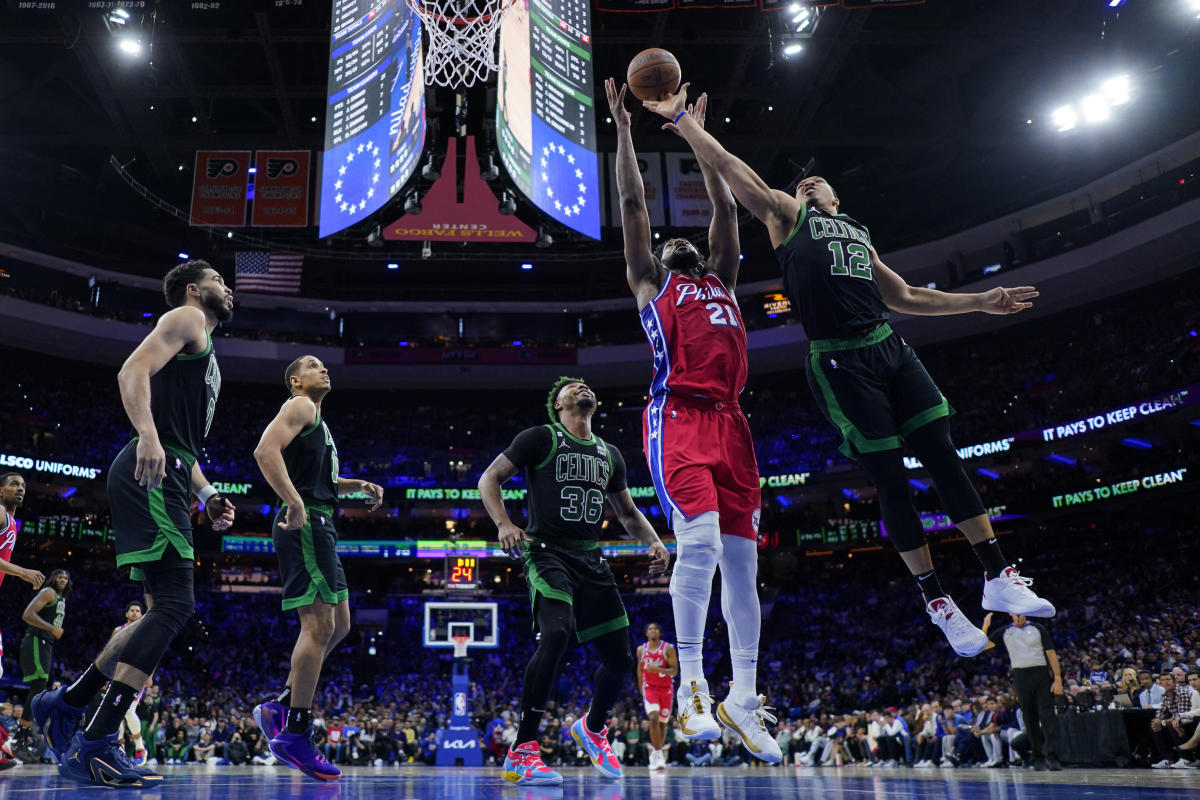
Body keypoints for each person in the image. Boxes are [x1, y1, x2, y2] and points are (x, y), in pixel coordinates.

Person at [642, 86, 1055, 658]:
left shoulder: (857, 233)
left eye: (818, 181)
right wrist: (684, 121)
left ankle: (996, 572)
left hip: (889, 345)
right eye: (801, 182)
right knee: (890, 476)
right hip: (839, 359)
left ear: (837, 194)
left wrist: (980, 301)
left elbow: (907, 295)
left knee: (941, 451)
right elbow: (735, 173)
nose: (808, 183)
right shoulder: (787, 218)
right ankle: (938, 603)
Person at [606, 77, 781, 764]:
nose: (680, 241)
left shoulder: (725, 278)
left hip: (733, 426)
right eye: (671, 241)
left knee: (743, 569)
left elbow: (729, 214)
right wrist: (625, 129)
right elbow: (631, 203)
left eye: (690, 241)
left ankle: (743, 695)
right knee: (700, 546)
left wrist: (695, 138)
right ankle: (692, 691)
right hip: (676, 416)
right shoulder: (653, 281)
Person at [32, 261, 236, 788]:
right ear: (194, 289)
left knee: (158, 610)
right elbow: (130, 371)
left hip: (170, 471)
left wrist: (208, 493)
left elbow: (181, 442)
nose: (226, 287)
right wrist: (146, 434)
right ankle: (95, 743)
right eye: (217, 278)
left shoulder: (203, 346)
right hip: (150, 471)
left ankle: (65, 704)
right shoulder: (188, 316)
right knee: (175, 605)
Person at [479, 377, 670, 785]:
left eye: (586, 385)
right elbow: (489, 478)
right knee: (557, 634)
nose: (582, 387)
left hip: (591, 559)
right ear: (559, 405)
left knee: (620, 659)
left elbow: (628, 512)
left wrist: (655, 542)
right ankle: (522, 750)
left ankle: (592, 726)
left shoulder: (610, 454)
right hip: (547, 552)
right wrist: (503, 522)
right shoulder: (540, 437)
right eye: (573, 387)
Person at [252, 354, 384, 782]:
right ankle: (296, 732)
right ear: (295, 381)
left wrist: (356, 484)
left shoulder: (319, 423)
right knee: (318, 626)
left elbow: (321, 479)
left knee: (341, 623)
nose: (323, 368)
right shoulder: (301, 406)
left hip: (322, 519)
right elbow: (264, 451)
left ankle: (281, 704)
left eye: (324, 364)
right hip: (306, 521)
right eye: (313, 365)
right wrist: (293, 502)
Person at [982, 612, 1062, 770]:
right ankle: (1038, 758)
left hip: (1041, 674)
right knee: (1029, 718)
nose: (1019, 614)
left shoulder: (1038, 628)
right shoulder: (1005, 631)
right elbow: (983, 646)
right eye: (1015, 612)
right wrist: (985, 626)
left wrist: (1058, 678)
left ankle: (1053, 757)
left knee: (1048, 716)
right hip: (1021, 676)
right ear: (1011, 613)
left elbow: (1051, 655)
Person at [14, 569, 70, 751]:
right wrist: (51, 627)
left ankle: (22, 736)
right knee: (38, 686)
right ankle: (20, 737)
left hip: (45, 643)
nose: (63, 580)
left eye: (66, 578)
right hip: (36, 640)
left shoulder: (61, 598)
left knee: (39, 688)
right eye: (60, 577)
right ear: (53, 579)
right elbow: (28, 614)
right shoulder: (49, 592)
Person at [108, 601, 151, 765]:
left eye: (137, 611)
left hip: (138, 673)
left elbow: (153, 654)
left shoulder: (146, 631)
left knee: (127, 710)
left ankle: (140, 746)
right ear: (126, 614)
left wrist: (150, 675)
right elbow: (110, 653)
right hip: (119, 673)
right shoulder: (117, 631)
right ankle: (120, 749)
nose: (134, 613)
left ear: (141, 615)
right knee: (116, 711)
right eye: (131, 610)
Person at [636, 621, 678, 770]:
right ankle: (657, 753)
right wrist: (642, 689)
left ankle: (657, 751)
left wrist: (658, 669)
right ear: (647, 633)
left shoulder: (668, 648)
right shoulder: (641, 650)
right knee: (653, 718)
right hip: (650, 688)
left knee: (662, 723)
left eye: (655, 629)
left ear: (659, 633)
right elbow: (640, 671)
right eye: (650, 629)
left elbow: (674, 671)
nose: (653, 631)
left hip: (666, 689)